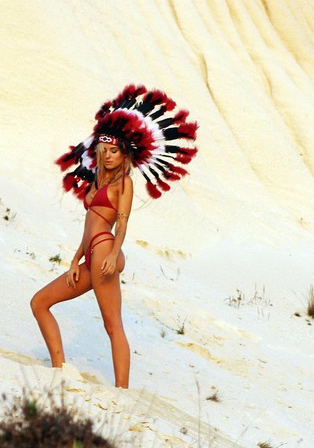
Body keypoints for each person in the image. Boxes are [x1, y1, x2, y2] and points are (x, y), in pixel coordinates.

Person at [31, 84, 198, 389]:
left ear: (125, 154)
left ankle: (122, 391)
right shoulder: (97, 181)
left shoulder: (125, 184)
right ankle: (59, 370)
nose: (108, 156)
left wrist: (111, 254)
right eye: (104, 150)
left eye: (114, 151)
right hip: (90, 254)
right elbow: (90, 224)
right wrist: (74, 260)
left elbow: (120, 224)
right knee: (40, 302)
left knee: (112, 325)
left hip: (105, 250)